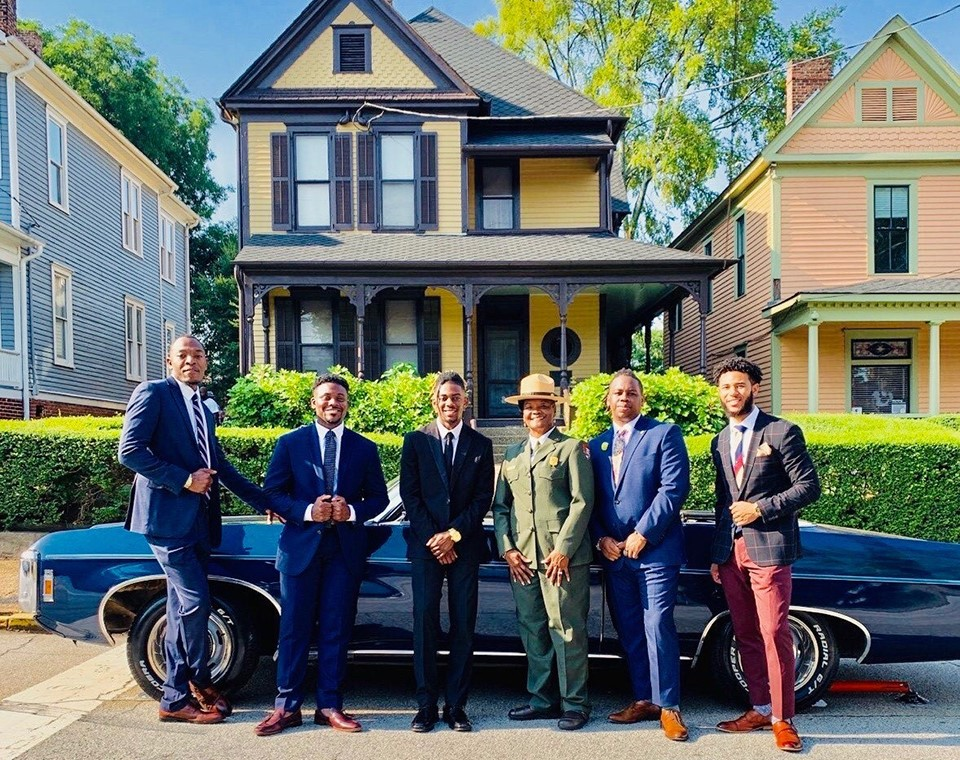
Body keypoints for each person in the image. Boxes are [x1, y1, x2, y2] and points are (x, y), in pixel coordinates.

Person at [118, 335, 301, 724]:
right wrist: (184, 479)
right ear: (169, 360)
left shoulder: (201, 406)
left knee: (179, 606)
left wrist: (268, 503)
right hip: (167, 521)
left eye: (198, 355)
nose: (191, 361)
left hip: (200, 522)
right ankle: (194, 685)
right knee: (194, 602)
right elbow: (130, 451)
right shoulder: (153, 394)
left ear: (205, 362)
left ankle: (174, 693)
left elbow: (222, 469)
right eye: (183, 355)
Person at [255, 373, 389, 737]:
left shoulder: (364, 448)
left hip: (344, 551)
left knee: (336, 630)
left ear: (347, 403)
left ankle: (330, 706)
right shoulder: (290, 443)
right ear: (314, 403)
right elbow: (273, 492)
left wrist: (353, 512)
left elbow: (378, 497)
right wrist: (308, 511)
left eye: (340, 398)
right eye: (327, 397)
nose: (334, 403)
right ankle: (286, 708)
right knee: (294, 630)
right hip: (300, 548)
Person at [709, 357, 821, 753]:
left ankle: (783, 719)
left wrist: (762, 508)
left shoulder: (782, 431)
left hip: (770, 548)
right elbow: (725, 499)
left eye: (739, 385)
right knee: (745, 635)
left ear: (754, 387)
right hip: (732, 552)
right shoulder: (719, 440)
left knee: (775, 633)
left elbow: (809, 487)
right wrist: (718, 552)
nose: (731, 393)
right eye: (725, 387)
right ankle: (758, 707)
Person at [588, 369, 690, 742]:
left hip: (656, 551)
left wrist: (642, 534)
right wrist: (601, 539)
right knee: (629, 629)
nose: (624, 399)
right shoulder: (597, 445)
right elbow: (593, 501)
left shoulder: (663, 434)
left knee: (657, 624)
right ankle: (643, 699)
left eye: (631, 393)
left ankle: (669, 707)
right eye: (617, 393)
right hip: (615, 556)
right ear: (607, 400)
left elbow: (674, 489)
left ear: (641, 399)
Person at [492, 373, 595, 731]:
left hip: (560, 560)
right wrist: (508, 549)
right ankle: (542, 700)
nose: (536, 411)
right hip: (524, 560)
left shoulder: (571, 448)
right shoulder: (512, 454)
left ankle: (575, 704)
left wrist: (564, 549)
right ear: (522, 412)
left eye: (543, 406)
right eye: (530, 406)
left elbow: (583, 503)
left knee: (566, 629)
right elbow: (501, 508)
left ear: (555, 410)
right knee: (533, 628)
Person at [400, 371, 495, 733]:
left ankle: (456, 705)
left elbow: (481, 498)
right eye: (444, 397)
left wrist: (452, 535)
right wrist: (436, 539)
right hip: (426, 550)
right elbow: (412, 496)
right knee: (424, 624)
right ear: (434, 400)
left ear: (464, 401)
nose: (449, 403)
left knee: (462, 626)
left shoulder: (480, 444)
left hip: (464, 548)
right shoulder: (415, 441)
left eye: (456, 397)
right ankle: (425, 706)